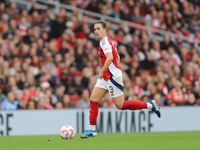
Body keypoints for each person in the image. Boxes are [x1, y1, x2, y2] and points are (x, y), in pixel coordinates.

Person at [80, 21, 161, 139]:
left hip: (112, 77)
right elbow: (116, 57)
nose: (96, 31)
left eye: (98, 28)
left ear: (105, 29)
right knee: (93, 99)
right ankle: (92, 130)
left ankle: (150, 105)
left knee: (120, 105)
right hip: (107, 75)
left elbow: (110, 58)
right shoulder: (109, 41)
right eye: (95, 29)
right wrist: (113, 68)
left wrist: (102, 71)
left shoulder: (104, 42)